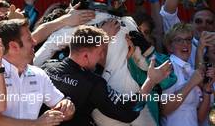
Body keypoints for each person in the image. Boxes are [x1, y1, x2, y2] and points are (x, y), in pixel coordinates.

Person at [41, 25, 172, 126]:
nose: (102, 56)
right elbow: (128, 112)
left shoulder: (46, 67)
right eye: (100, 52)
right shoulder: (92, 84)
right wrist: (150, 81)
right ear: (85, 55)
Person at [0, 19, 75, 126]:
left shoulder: (38, 74)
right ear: (14, 46)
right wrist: (36, 124)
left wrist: (66, 106)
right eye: (29, 39)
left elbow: (61, 107)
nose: (34, 42)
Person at [160, 0, 215, 67]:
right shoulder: (184, 43)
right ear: (191, 24)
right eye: (198, 21)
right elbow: (168, 14)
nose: (204, 25)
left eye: (209, 22)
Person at [160, 23, 214, 126]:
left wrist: (207, 89)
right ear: (170, 47)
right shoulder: (167, 67)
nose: (185, 44)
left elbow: (200, 118)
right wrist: (191, 83)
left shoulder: (191, 71)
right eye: (179, 40)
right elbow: (165, 109)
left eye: (188, 39)